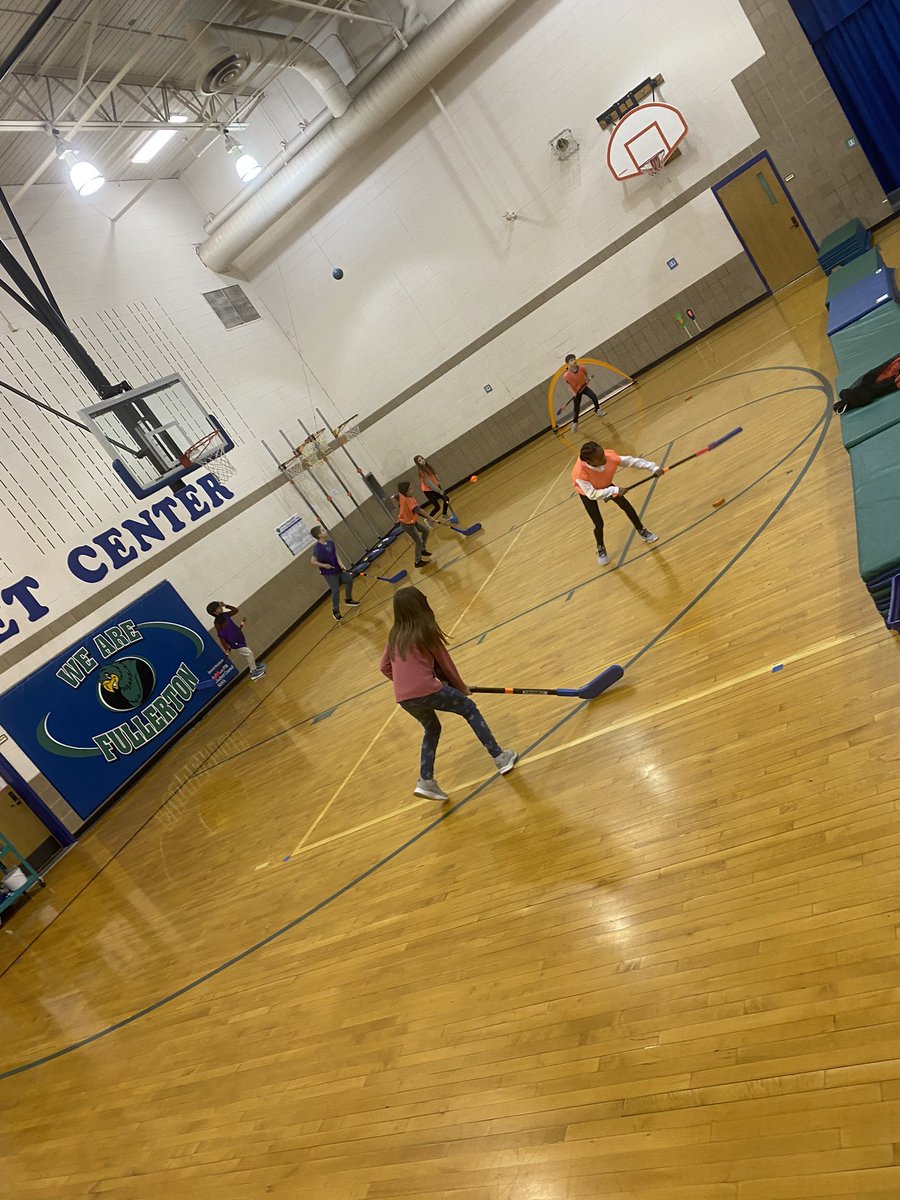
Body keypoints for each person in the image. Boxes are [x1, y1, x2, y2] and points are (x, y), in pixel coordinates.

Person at [380, 587, 517, 800]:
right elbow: (446, 664)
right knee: (470, 710)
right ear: (421, 605)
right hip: (427, 689)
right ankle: (500, 757)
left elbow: (385, 667)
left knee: (431, 727)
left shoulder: (394, 636)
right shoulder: (426, 629)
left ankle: (426, 781)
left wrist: (407, 684)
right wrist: (461, 688)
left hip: (404, 698)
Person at [573, 440, 661, 565]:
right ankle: (600, 547)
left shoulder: (608, 457)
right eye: (600, 458)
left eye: (603, 454)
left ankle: (641, 530)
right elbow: (592, 494)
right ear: (589, 462)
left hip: (605, 484)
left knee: (626, 506)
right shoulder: (580, 473)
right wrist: (615, 490)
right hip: (587, 493)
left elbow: (631, 461)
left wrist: (653, 467)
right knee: (598, 523)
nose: (604, 459)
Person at [310, 525, 360, 622]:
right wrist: (324, 565)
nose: (325, 531)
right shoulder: (317, 548)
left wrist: (341, 564)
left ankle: (348, 599)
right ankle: (335, 610)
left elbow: (335, 554)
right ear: (319, 535)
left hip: (338, 569)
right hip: (329, 573)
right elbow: (312, 561)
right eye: (323, 531)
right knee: (335, 590)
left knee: (349, 579)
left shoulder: (330, 543)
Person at [206, 601, 266, 680]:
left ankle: (254, 666)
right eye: (218, 608)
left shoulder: (225, 614)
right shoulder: (217, 623)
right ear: (214, 612)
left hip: (239, 636)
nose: (220, 608)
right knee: (249, 653)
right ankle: (253, 672)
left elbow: (235, 610)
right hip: (234, 641)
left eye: (220, 606)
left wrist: (226, 605)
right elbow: (221, 636)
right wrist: (226, 648)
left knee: (248, 652)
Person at [393, 481, 433, 567]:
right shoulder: (409, 500)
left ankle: (422, 549)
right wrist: (430, 518)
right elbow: (419, 511)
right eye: (410, 489)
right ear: (406, 492)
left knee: (425, 530)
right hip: (406, 524)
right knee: (418, 540)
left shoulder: (402, 495)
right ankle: (417, 561)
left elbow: (396, 496)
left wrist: (393, 498)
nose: (412, 489)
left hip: (412, 520)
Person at [563, 353, 603, 434]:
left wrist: (587, 379)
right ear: (568, 363)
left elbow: (586, 374)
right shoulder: (566, 375)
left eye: (574, 359)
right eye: (571, 360)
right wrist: (573, 392)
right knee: (576, 409)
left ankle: (598, 410)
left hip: (584, 388)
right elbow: (569, 385)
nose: (574, 361)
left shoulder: (582, 367)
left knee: (594, 396)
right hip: (576, 392)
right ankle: (575, 422)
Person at [414, 455, 458, 523]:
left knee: (446, 498)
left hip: (435, 487)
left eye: (422, 458)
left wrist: (437, 481)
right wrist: (439, 491)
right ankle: (427, 519)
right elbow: (429, 484)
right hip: (428, 491)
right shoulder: (422, 472)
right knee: (437, 507)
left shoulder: (428, 467)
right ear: (418, 463)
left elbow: (434, 476)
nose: (422, 460)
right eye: (419, 460)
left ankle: (444, 514)